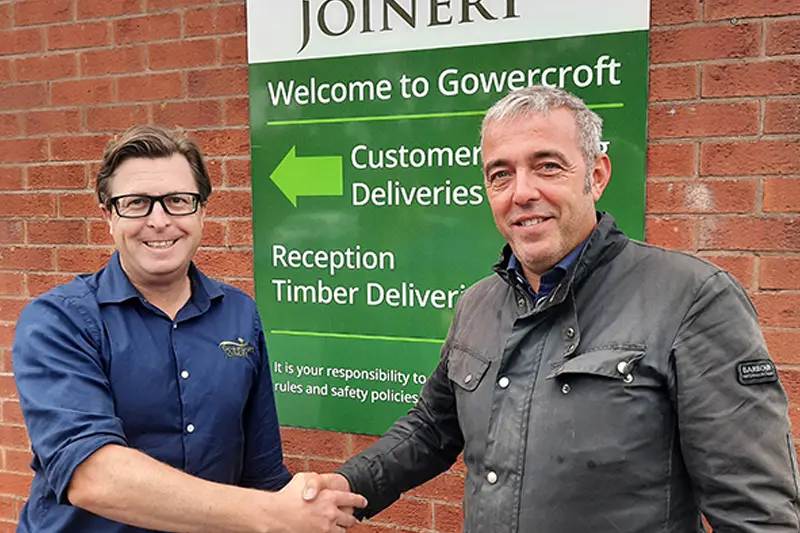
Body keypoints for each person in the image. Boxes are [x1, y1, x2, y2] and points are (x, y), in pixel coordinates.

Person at [306, 86, 800, 532]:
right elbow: (432, 428)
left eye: (547, 166)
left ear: (596, 176)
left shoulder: (693, 300)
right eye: (501, 174)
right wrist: (345, 486)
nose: (522, 192)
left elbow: (756, 514)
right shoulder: (478, 303)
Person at [12, 125, 366, 533]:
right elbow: (93, 475)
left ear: (201, 211)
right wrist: (275, 514)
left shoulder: (239, 314)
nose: (159, 221)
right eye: (137, 203)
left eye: (177, 201)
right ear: (108, 216)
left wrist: (305, 507)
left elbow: (262, 474)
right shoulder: (60, 321)